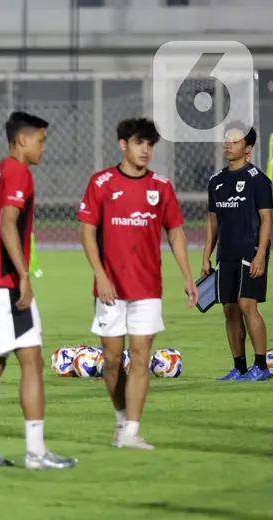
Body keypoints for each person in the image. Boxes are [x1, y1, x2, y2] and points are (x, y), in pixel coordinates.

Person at [77, 118, 198, 450]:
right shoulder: (101, 182)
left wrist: (188, 276)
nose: (146, 150)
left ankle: (132, 431)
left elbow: (175, 232)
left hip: (148, 289)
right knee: (113, 360)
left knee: (141, 357)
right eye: (139, 143)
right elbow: (87, 231)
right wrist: (100, 275)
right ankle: (120, 421)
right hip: (110, 289)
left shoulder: (162, 186)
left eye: (150, 144)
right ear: (123, 144)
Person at [0, 111, 76, 469]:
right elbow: (7, 223)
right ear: (22, 140)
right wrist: (24, 276)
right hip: (5, 283)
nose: (44, 148)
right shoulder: (18, 171)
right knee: (31, 361)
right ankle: (35, 452)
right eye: (41, 141)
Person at [203, 123, 273, 381]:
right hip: (226, 255)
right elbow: (213, 221)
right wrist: (206, 256)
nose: (227, 144)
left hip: (250, 252)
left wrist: (260, 254)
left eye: (234, 141)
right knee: (230, 310)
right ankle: (239, 367)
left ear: (248, 148)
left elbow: (267, 219)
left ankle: (261, 366)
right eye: (226, 140)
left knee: (247, 305)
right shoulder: (216, 181)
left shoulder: (258, 181)